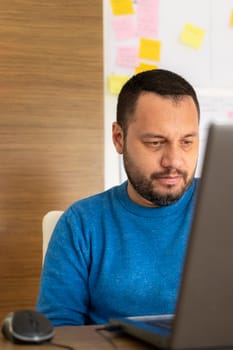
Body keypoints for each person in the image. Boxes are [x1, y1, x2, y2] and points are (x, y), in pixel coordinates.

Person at [37, 69, 200, 326]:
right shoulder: (81, 224)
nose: (174, 161)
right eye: (156, 142)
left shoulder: (224, 205)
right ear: (119, 138)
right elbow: (59, 331)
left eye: (187, 142)